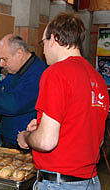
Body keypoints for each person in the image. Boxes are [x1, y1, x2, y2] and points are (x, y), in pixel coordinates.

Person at [17, 12, 109, 190]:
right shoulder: (98, 79)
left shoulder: (56, 73)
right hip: (91, 182)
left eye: (43, 43)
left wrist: (27, 137)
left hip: (60, 183)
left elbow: (46, 142)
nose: (43, 51)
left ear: (53, 39)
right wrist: (43, 126)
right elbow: (91, 137)